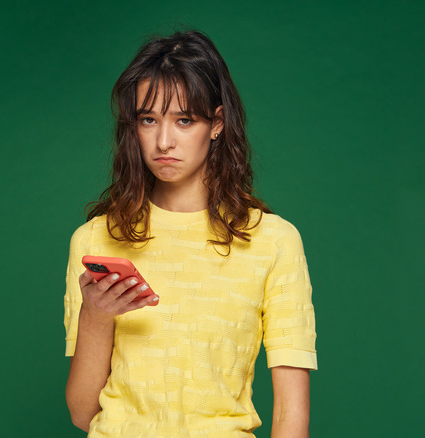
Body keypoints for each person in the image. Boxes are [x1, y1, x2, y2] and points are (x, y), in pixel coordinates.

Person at [64, 30, 317, 438]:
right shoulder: (95, 239)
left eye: (184, 120)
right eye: (149, 119)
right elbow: (82, 413)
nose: (164, 141)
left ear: (216, 123)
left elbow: (291, 414)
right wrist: (96, 316)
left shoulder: (273, 241)